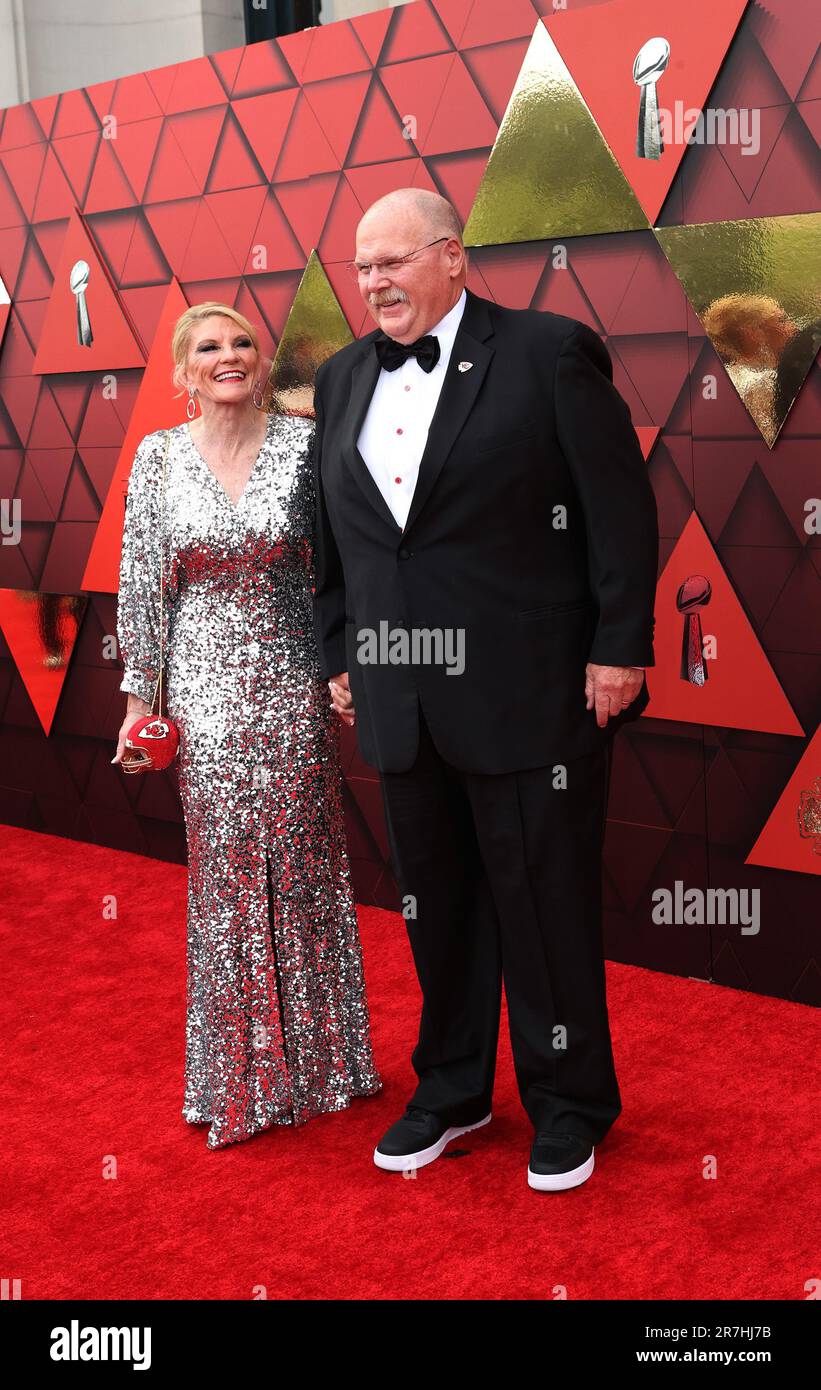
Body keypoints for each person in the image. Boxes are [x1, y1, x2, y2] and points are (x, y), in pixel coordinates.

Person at [310, 190, 658, 1191]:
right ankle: (453, 1086)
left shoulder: (546, 351)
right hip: (398, 695)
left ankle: (568, 1103)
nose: (372, 281)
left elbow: (616, 507)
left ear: (452, 257)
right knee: (438, 907)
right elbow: (336, 544)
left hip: (529, 687)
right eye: (360, 266)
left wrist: (617, 647)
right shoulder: (338, 381)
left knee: (543, 904)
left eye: (391, 261)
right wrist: (339, 651)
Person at [113, 301, 381, 1150]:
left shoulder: (307, 445)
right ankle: (241, 1076)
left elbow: (347, 566)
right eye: (208, 348)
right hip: (201, 695)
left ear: (262, 362)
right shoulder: (157, 459)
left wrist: (348, 668)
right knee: (226, 881)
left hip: (294, 683)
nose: (228, 356)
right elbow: (142, 591)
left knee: (306, 864)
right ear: (182, 373)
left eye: (241, 343)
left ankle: (329, 1065)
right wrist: (140, 705)